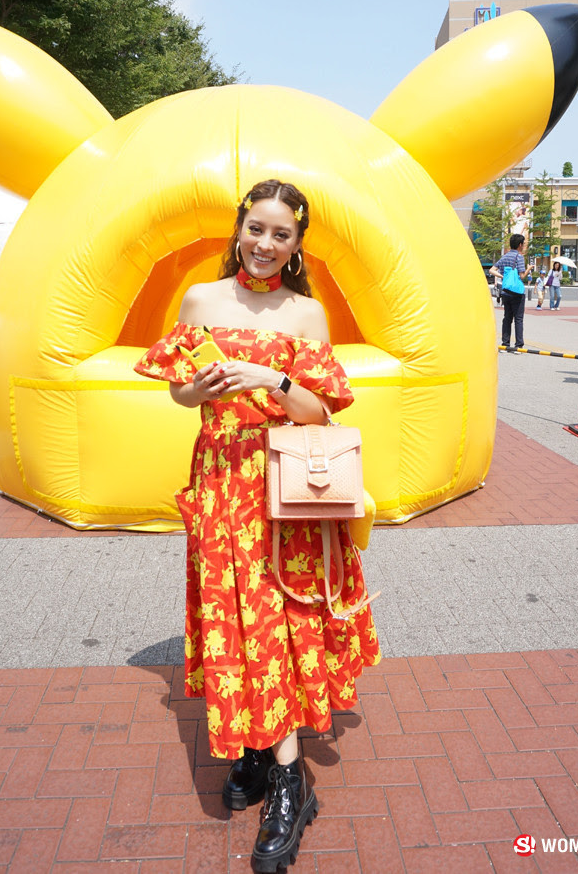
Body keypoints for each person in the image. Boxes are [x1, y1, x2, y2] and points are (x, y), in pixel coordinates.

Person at [134, 179, 380, 872]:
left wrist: (269, 379)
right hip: (219, 479)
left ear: (297, 244)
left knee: (277, 622)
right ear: (239, 229)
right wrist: (201, 388)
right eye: (256, 229)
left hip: (281, 491)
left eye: (281, 234)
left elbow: (320, 411)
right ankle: (252, 746)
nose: (265, 244)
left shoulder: (307, 313)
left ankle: (290, 782)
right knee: (232, 615)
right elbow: (179, 390)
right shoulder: (200, 300)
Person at [490, 234, 533, 349]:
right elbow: (522, 276)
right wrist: (529, 268)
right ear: (520, 245)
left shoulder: (505, 256)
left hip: (506, 291)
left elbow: (492, 270)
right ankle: (518, 345)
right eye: (523, 244)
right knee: (518, 319)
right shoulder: (519, 257)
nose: (524, 246)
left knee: (507, 318)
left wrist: (503, 277)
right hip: (517, 292)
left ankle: (505, 344)